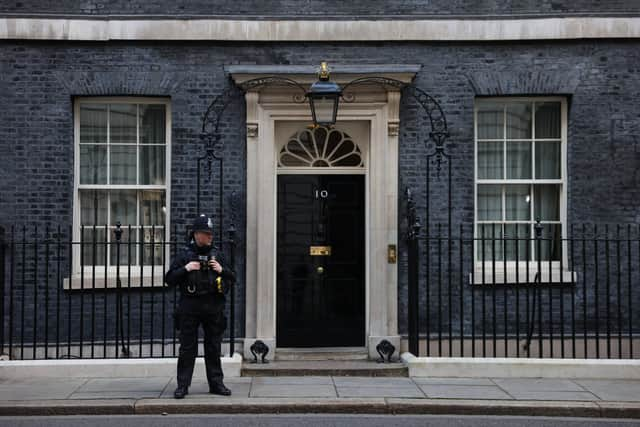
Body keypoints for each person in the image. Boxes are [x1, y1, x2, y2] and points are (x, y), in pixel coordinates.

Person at [165, 214, 235, 399]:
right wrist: (186, 268)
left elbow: (233, 277)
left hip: (213, 307)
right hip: (190, 307)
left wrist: (222, 270)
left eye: (211, 233)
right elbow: (169, 279)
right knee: (188, 348)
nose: (210, 236)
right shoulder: (185, 255)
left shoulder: (218, 254)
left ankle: (216, 384)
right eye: (206, 233)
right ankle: (183, 385)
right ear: (196, 234)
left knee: (213, 347)